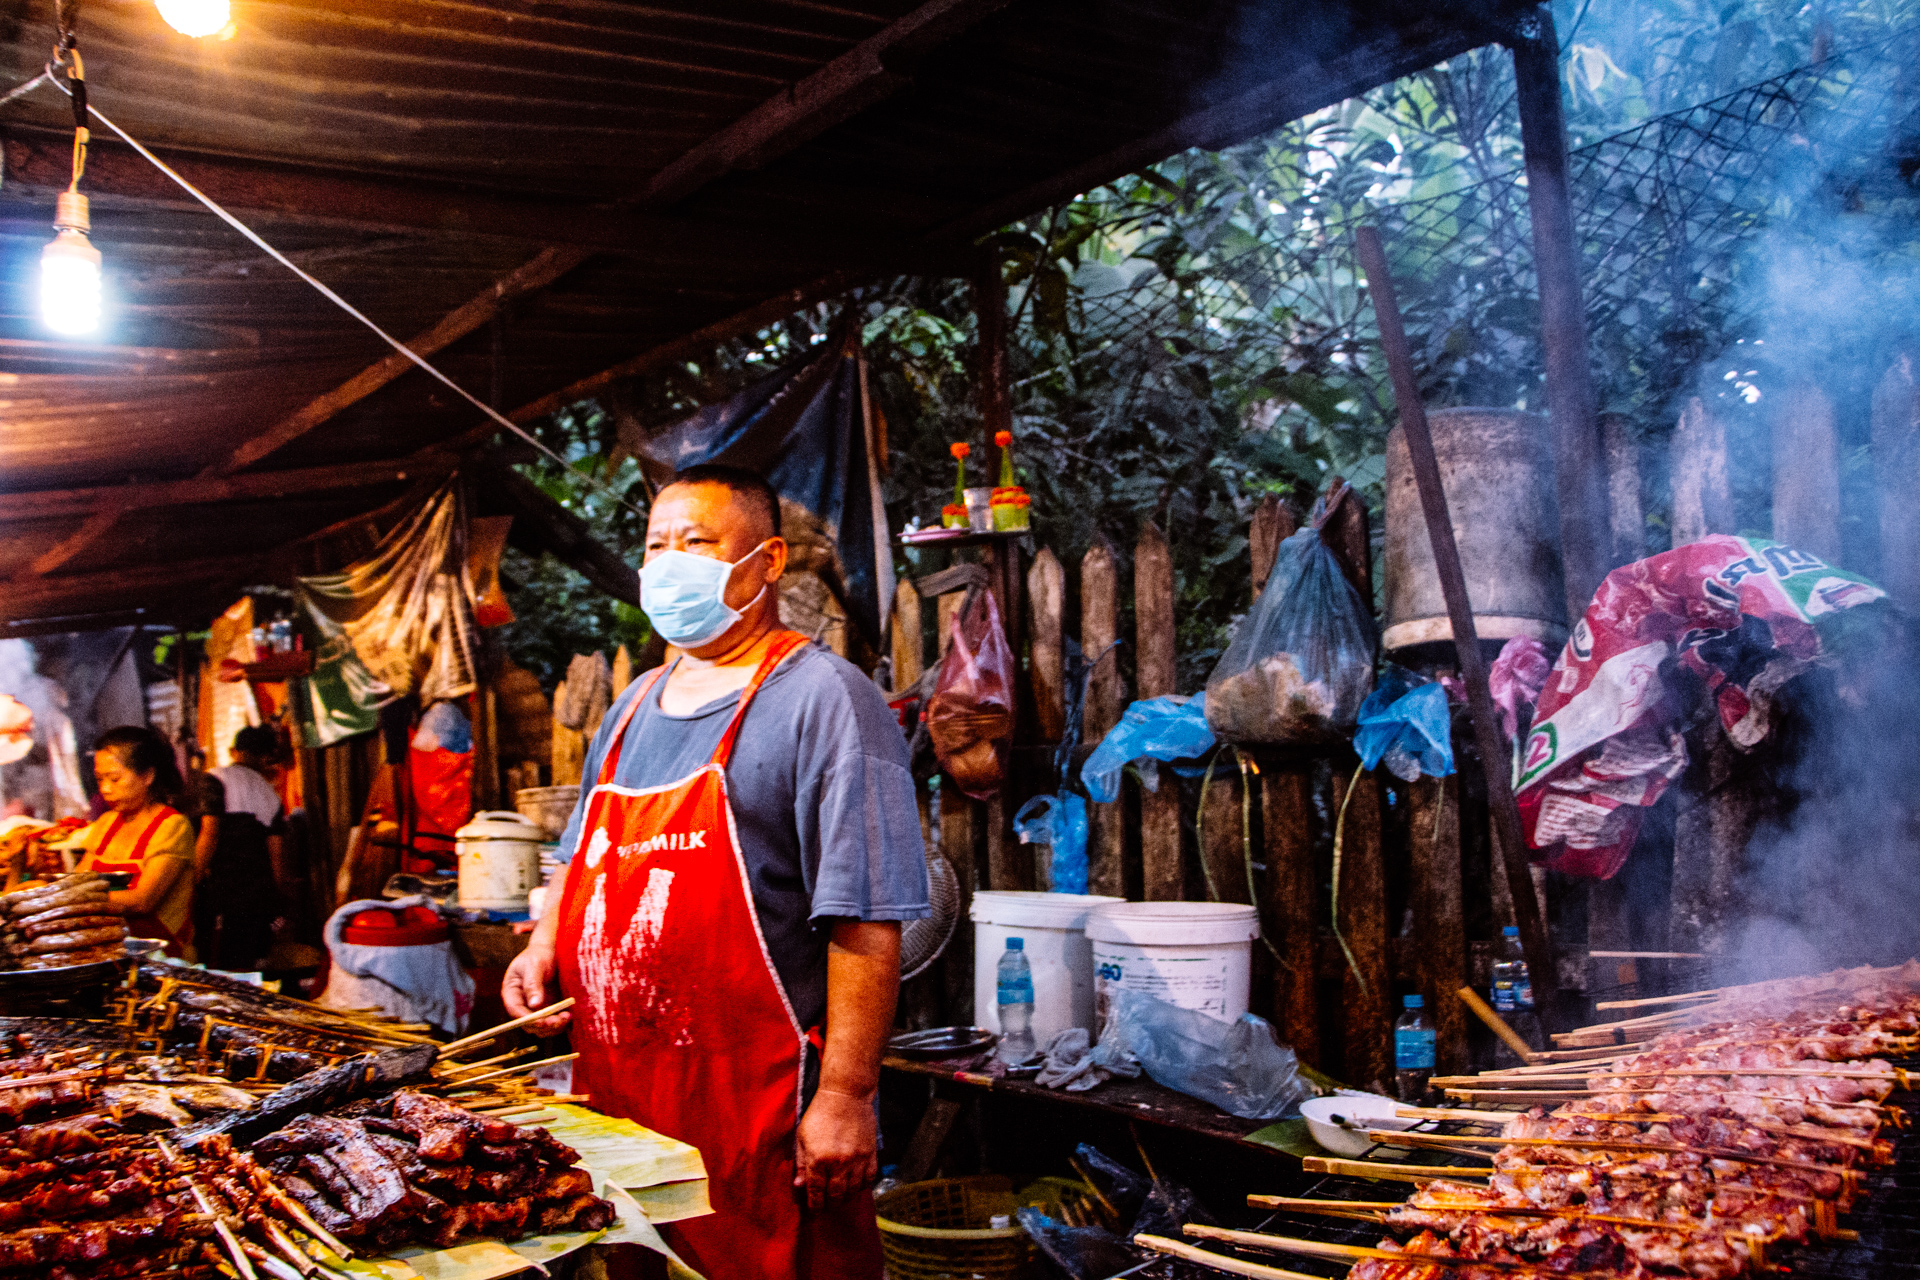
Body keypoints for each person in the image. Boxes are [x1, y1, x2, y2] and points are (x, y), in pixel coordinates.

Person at [502, 464, 930, 1280]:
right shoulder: (631, 707)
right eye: (657, 544)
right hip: (620, 1095)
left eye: (696, 543)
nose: (669, 562)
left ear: (767, 562)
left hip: (755, 1106)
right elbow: (580, 854)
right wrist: (541, 946)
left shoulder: (826, 700)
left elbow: (868, 918)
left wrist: (844, 1097)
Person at [79, 726, 196, 959]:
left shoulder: (172, 826)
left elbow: (142, 901)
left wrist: (78, 897)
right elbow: (78, 880)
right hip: (108, 953)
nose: (105, 789)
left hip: (161, 958)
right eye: (100, 779)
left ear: (147, 776)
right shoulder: (106, 823)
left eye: (115, 778)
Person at [193, 725, 295, 971]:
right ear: (265, 758)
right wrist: (277, 895)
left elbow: (209, 833)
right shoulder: (270, 794)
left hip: (221, 887)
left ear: (234, 751)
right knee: (253, 960)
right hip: (256, 892)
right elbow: (277, 855)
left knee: (218, 961)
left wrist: (193, 877)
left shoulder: (216, 777)